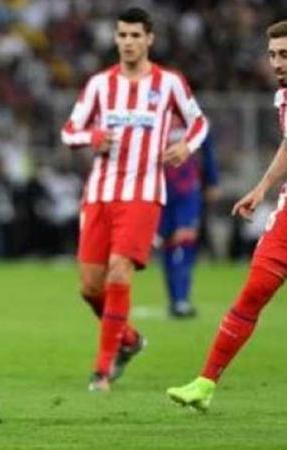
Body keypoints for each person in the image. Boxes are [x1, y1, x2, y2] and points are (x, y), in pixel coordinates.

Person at [60, 7, 209, 392]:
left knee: (119, 271)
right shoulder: (99, 85)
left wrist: (186, 146)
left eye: (135, 35)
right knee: (89, 288)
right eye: (123, 35)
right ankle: (128, 340)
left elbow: (199, 121)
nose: (128, 42)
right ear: (115, 38)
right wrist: (93, 138)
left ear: (149, 39)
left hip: (143, 194)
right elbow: (69, 131)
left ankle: (101, 371)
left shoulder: (169, 83)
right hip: (99, 194)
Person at [166, 20, 287, 411]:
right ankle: (204, 384)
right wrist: (262, 188)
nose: (277, 63)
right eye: (273, 55)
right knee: (253, 292)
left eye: (284, 55)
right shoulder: (284, 97)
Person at [159, 129, 219, 318]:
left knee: (184, 241)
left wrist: (212, 181)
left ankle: (181, 299)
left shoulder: (194, 119)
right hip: (161, 189)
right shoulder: (155, 116)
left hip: (187, 189)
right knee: (168, 244)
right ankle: (175, 299)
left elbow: (207, 149)